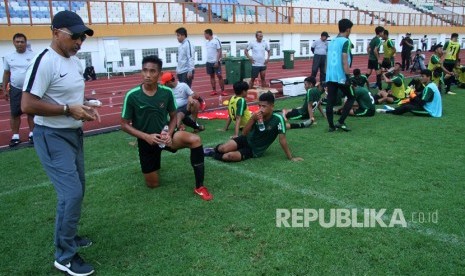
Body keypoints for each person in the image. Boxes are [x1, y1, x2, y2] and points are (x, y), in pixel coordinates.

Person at [20, 11, 97, 276]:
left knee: (79, 188)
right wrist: (67, 109)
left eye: (82, 38)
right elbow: (27, 104)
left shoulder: (74, 61)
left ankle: (70, 237)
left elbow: (69, 99)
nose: (79, 42)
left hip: (73, 134)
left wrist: (85, 108)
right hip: (52, 136)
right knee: (71, 193)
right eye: (74, 36)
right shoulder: (44, 61)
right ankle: (64, 256)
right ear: (55, 33)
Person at [121, 55, 212, 201]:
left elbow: (174, 116)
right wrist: (146, 137)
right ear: (141, 72)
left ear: (160, 74)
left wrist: (169, 133)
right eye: (145, 71)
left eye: (152, 71)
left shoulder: (167, 92)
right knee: (153, 184)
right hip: (147, 141)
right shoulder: (132, 95)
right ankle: (153, 163)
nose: (148, 75)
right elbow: (124, 125)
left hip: (165, 136)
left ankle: (200, 186)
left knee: (195, 140)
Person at [205, 92, 303, 162]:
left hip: (254, 149)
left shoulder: (278, 119)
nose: (261, 109)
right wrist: (252, 119)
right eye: (259, 106)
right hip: (246, 139)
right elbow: (243, 134)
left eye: (264, 106)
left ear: (272, 106)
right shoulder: (256, 116)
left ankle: (212, 154)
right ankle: (213, 149)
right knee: (223, 149)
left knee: (228, 156)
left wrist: (290, 157)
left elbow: (282, 140)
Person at [2, 33, 36, 147]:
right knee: (15, 113)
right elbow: (6, 73)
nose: (20, 44)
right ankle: (15, 136)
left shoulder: (34, 56)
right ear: (13, 43)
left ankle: (32, 134)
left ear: (26, 43)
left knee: (31, 113)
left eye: (22, 41)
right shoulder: (9, 57)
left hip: (30, 89)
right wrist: (4, 89)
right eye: (17, 42)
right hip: (15, 89)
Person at [325, 18, 355, 132]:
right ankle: (340, 122)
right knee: (352, 97)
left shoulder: (332, 41)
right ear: (348, 29)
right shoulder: (345, 41)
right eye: (350, 29)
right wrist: (348, 77)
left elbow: (327, 59)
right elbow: (344, 60)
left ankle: (331, 126)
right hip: (341, 76)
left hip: (330, 75)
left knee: (330, 100)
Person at [377, 69, 442, 118]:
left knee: (408, 107)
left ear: (429, 77)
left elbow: (422, 103)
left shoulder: (429, 88)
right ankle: (394, 109)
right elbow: (420, 97)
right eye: (421, 76)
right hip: (431, 109)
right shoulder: (431, 85)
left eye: (423, 76)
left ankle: (387, 111)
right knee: (409, 101)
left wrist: (413, 95)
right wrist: (412, 96)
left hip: (430, 112)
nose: (421, 78)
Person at [204, 29, 226, 96]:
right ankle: (214, 90)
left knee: (219, 76)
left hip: (215, 62)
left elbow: (219, 51)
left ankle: (223, 91)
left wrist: (217, 61)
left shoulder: (216, 41)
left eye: (205, 34)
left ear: (208, 34)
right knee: (212, 76)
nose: (204, 35)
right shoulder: (207, 42)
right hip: (209, 62)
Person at [366, 26, 384, 90]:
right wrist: (378, 59)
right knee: (378, 74)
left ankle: (360, 83)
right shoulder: (379, 40)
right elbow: (375, 50)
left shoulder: (373, 39)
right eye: (382, 32)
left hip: (370, 59)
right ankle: (380, 89)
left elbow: (368, 48)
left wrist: (369, 55)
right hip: (375, 60)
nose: (383, 34)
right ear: (379, 33)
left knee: (368, 73)